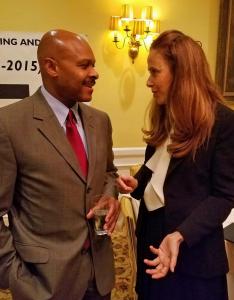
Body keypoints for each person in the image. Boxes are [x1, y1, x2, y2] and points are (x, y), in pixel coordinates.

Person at [0, 29, 120, 300]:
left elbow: (109, 174)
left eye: (94, 64)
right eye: (84, 65)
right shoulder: (9, 124)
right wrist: (13, 274)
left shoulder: (100, 121)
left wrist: (111, 197)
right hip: (43, 285)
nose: (95, 73)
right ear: (51, 67)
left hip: (100, 279)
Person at [117, 29, 234, 300]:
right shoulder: (165, 115)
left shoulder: (223, 122)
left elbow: (224, 196)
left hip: (194, 254)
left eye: (154, 72)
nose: (148, 82)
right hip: (151, 242)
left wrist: (180, 235)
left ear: (181, 74)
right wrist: (138, 184)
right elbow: (158, 170)